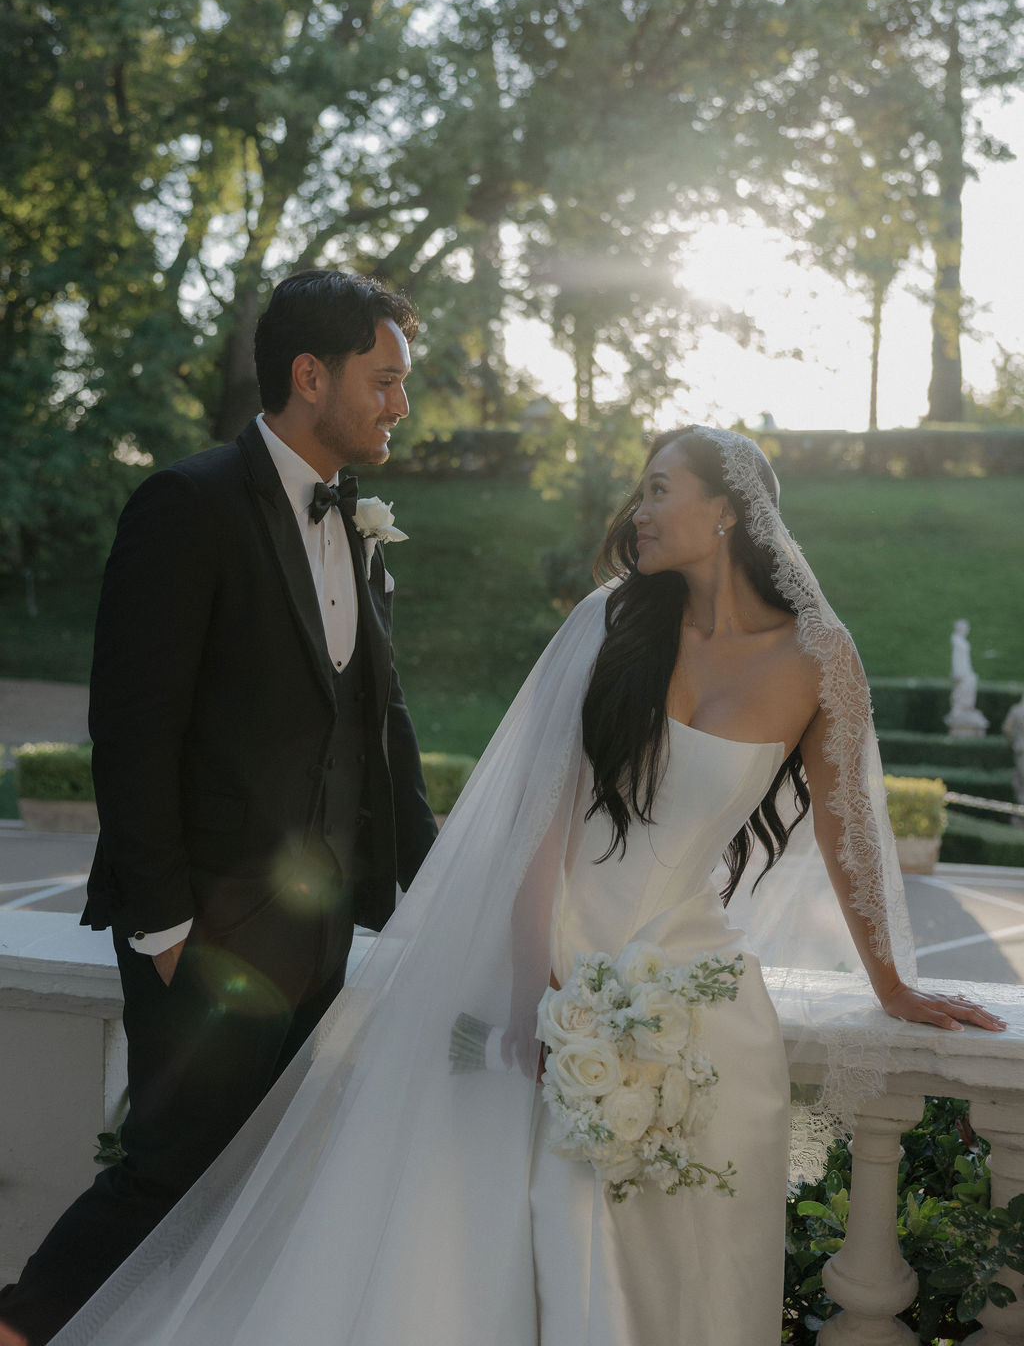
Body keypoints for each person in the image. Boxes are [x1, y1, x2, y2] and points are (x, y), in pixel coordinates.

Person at [33, 428, 1004, 1346]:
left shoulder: (819, 659)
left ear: (728, 514)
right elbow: (537, 827)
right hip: (551, 961)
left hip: (692, 987)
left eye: (661, 486)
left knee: (684, 1257)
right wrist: (531, 994)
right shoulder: (610, 621)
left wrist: (891, 982)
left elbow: (850, 834)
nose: (639, 507)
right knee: (502, 1238)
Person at [0, 270, 437, 1346]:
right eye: (383, 379)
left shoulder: (360, 529)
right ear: (308, 374)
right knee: (166, 1174)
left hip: (323, 932)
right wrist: (161, 926)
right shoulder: (187, 504)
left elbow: (382, 732)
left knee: (269, 1185)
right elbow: (135, 725)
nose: (400, 404)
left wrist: (445, 891)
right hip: (201, 933)